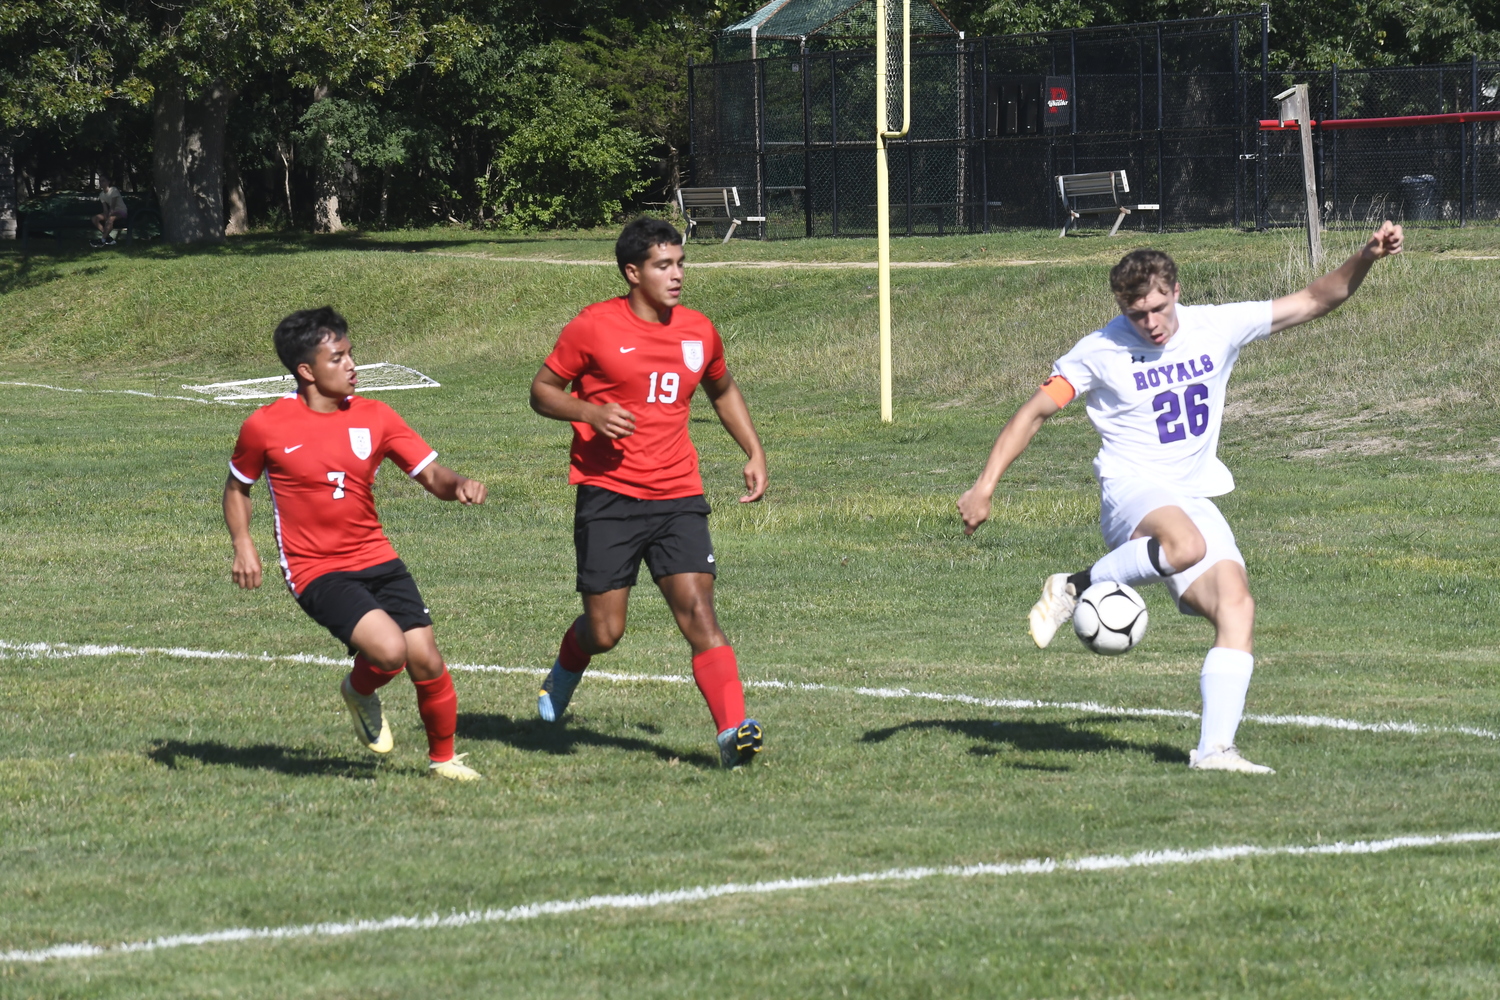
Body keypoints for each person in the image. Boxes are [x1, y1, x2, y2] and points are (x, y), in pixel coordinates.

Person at [957, 222, 1404, 774]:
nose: (1151, 323)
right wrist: (986, 485)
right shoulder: (1098, 351)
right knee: (1186, 544)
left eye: (1159, 309)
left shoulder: (1216, 326)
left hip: (1192, 493)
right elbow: (1034, 412)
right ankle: (1077, 585)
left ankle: (1215, 750)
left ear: (1176, 292)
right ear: (1122, 306)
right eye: (1137, 313)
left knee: (1236, 607)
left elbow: (1316, 299)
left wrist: (1366, 256)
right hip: (1132, 492)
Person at [529, 217, 769, 769]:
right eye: (664, 265)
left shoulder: (698, 330)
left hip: (678, 494)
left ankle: (732, 732)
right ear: (632, 272)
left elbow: (722, 388)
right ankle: (564, 672)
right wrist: (588, 411)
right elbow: (541, 391)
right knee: (607, 631)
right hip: (608, 496)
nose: (677, 274)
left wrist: (753, 450)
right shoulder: (593, 326)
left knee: (699, 614)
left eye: (681, 263)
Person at [224, 307, 488, 781]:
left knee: (426, 657)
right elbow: (237, 487)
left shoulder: (376, 415)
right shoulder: (265, 426)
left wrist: (459, 484)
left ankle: (443, 760)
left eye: (351, 354)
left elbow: (430, 474)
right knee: (389, 652)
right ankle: (359, 690)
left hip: (377, 557)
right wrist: (244, 543)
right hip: (315, 569)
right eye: (338, 357)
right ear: (306, 371)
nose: (352, 366)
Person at [92, 175, 128, 246]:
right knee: (94, 219)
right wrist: (106, 215)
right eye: (100, 181)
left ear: (108, 182)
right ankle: (107, 237)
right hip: (112, 212)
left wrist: (109, 216)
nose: (101, 183)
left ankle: (102, 241)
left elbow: (112, 206)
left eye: (103, 181)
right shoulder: (101, 195)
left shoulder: (113, 190)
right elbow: (105, 209)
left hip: (121, 212)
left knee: (110, 219)